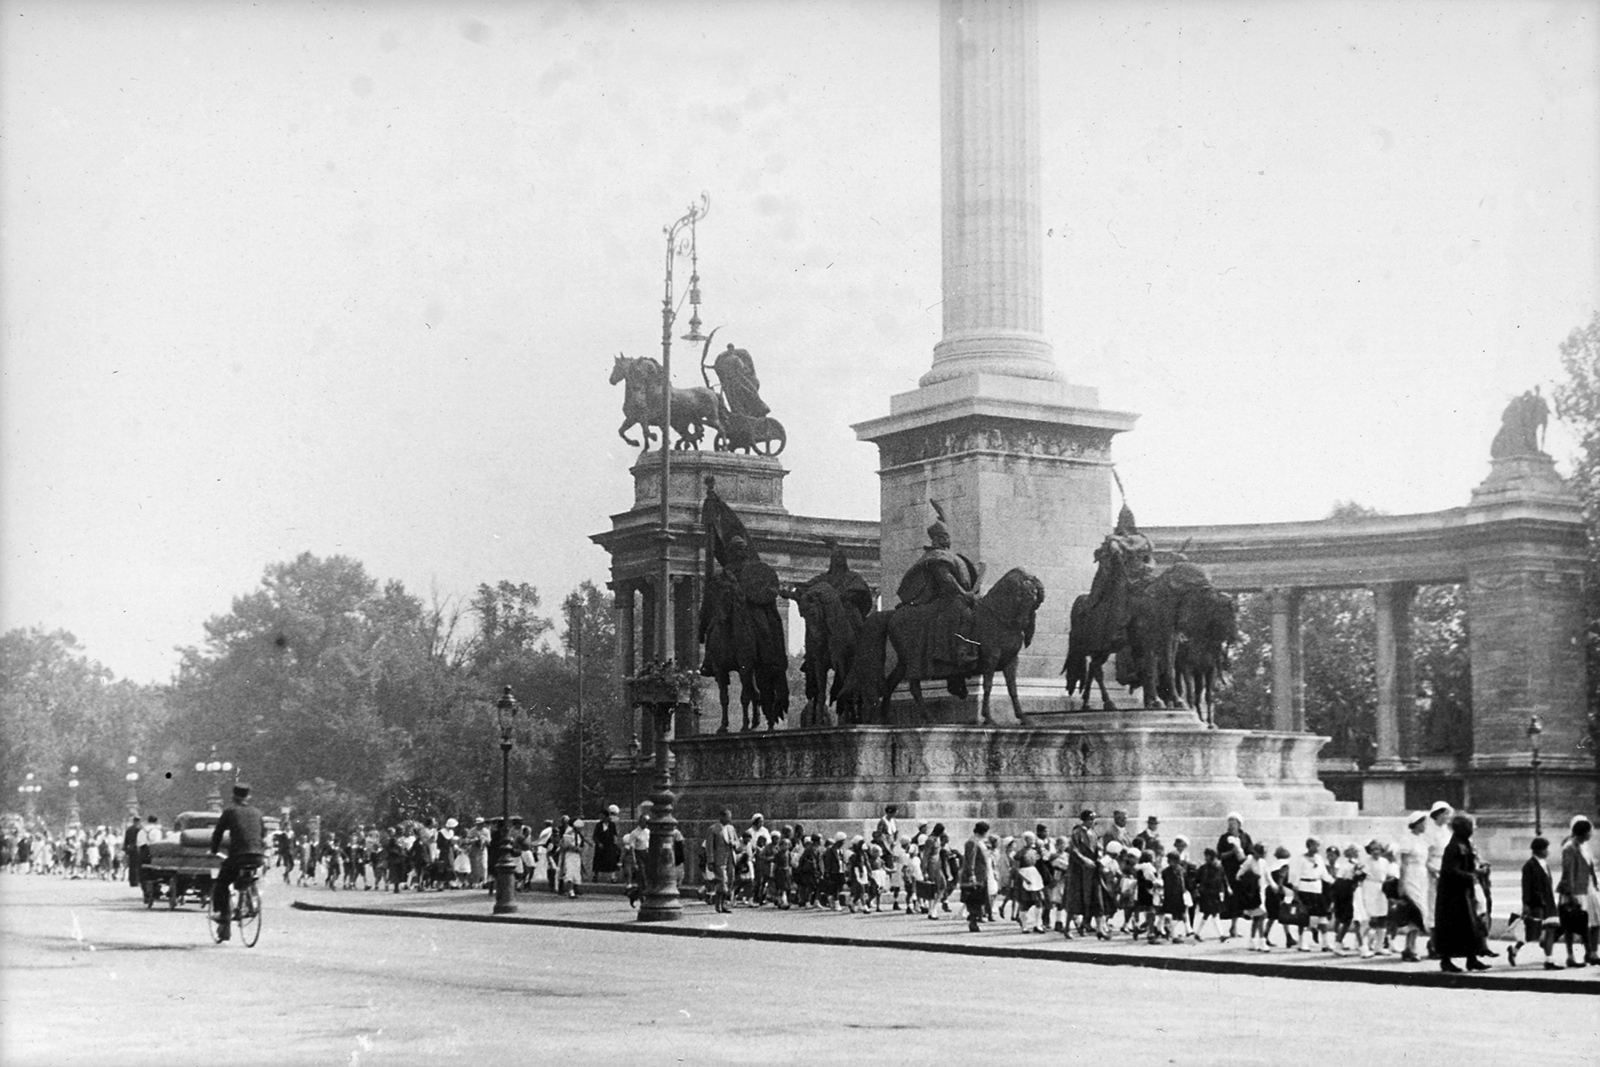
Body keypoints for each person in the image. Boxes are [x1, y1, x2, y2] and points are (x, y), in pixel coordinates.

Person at [893, 502, 980, 693]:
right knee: (964, 613)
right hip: (944, 599)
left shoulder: (948, 555)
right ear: (935, 540)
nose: (947, 540)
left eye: (948, 537)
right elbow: (947, 580)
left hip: (958, 597)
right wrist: (964, 593)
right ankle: (961, 652)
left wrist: (943, 517)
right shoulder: (935, 557)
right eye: (943, 537)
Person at [208, 784, 267, 942]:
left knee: (222, 882)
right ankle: (250, 899)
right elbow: (263, 834)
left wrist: (214, 849)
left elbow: (218, 832)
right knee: (249, 875)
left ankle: (223, 914)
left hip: (238, 856)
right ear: (249, 797)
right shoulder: (257, 812)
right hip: (257, 857)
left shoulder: (230, 811)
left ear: (233, 797)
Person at [1435, 813, 1490, 972]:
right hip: (1452, 895)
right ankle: (1446, 960)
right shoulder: (1455, 846)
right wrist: (1472, 875)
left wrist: (1478, 871)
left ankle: (1471, 958)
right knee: (1453, 927)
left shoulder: (1463, 843)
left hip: (1462, 892)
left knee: (1469, 926)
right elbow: (1450, 870)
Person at [1507, 836, 1561, 970]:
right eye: (1546, 849)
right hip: (1536, 903)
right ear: (1539, 850)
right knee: (1533, 932)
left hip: (1548, 902)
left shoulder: (1545, 865)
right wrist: (1526, 905)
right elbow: (1526, 887)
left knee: (1550, 929)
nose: (1547, 852)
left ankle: (1549, 959)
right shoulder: (1529, 866)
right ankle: (1514, 949)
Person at [1558, 816, 1599, 967]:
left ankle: (1591, 952)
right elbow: (1567, 872)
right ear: (1584, 832)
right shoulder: (1569, 848)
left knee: (1593, 921)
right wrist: (1570, 893)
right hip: (1575, 890)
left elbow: (1590, 866)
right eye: (1590, 831)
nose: (1591, 834)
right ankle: (1571, 956)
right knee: (1571, 925)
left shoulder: (1584, 846)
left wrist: (1594, 881)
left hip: (1587, 888)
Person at [1394, 812, 1432, 961]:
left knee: (1420, 912)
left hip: (1421, 876)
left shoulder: (1422, 840)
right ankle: (1410, 948)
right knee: (1414, 911)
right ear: (1416, 823)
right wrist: (1401, 883)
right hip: (1410, 876)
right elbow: (1403, 864)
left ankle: (1410, 946)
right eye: (1423, 823)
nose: (1425, 826)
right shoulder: (1407, 839)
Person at [1065, 810, 1105, 939]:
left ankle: (1089, 926)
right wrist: (1085, 861)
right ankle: (1067, 928)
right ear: (1084, 820)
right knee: (1076, 900)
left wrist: (1099, 857)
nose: (1092, 822)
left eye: (1093, 820)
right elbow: (1074, 850)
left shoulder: (1093, 833)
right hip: (1079, 872)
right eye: (1090, 820)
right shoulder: (1077, 833)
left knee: (1094, 898)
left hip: (1092, 871)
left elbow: (1098, 847)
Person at [960, 821, 993, 933]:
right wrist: (971, 874)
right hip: (975, 876)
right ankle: (973, 922)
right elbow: (970, 860)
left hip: (982, 874)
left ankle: (975, 920)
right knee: (974, 899)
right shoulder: (972, 842)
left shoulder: (979, 841)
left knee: (979, 899)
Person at [593, 806, 622, 884]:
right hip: (600, 846)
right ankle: (595, 875)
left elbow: (614, 834)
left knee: (612, 861)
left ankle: (613, 876)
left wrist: (615, 842)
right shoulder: (598, 825)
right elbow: (595, 836)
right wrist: (598, 843)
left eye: (602, 816)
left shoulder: (612, 825)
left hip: (610, 845)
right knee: (598, 861)